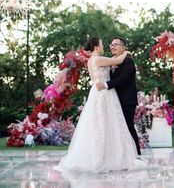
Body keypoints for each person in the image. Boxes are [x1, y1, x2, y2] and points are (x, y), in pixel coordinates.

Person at [54, 36, 144, 173]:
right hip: (105, 94)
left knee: (106, 125)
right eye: (103, 44)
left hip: (105, 93)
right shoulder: (99, 59)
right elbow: (117, 61)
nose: (106, 47)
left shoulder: (92, 61)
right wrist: (126, 53)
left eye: (115, 45)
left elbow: (120, 77)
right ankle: (108, 158)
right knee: (106, 125)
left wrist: (124, 55)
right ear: (96, 46)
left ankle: (125, 155)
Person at [96, 37, 141, 155]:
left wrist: (106, 84)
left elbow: (124, 79)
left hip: (127, 100)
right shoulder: (113, 62)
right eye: (111, 45)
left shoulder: (128, 61)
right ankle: (123, 154)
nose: (112, 47)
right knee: (118, 127)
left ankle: (136, 153)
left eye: (116, 44)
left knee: (128, 126)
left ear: (123, 47)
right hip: (114, 100)